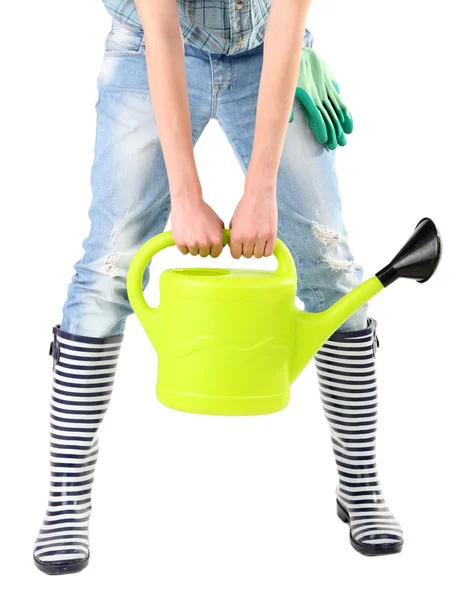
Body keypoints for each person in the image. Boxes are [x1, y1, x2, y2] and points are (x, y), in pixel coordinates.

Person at [33, 0, 403, 575]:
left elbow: (287, 19)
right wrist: (185, 195)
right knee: (108, 268)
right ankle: (65, 503)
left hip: (268, 51)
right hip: (145, 49)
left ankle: (361, 487)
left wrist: (261, 188)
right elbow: (161, 33)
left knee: (332, 266)